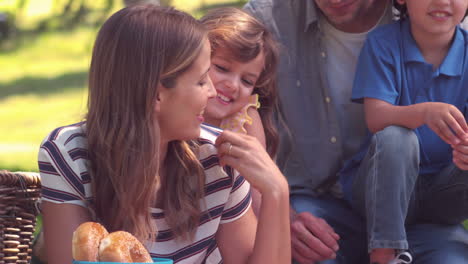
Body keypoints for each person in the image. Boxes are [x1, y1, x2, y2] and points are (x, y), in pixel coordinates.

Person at [38, 5, 290, 264]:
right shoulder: (70, 153)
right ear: (157, 94)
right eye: (202, 81)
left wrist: (276, 192)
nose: (213, 93)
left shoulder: (218, 158)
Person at [244, 0, 468, 263]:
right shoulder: (265, 21)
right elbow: (226, 108)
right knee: (396, 137)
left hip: (427, 213)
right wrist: (276, 215)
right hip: (316, 211)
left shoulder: (447, 22)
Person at [340, 0, 468, 263]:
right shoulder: (383, 43)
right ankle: (385, 253)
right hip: (381, 189)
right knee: (397, 137)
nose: (442, 1)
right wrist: (423, 113)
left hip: (444, 193)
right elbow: (376, 118)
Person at [200, 7, 280, 214]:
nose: (233, 85)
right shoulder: (177, 109)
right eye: (222, 68)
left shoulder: (243, 120)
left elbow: (259, 190)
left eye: (246, 80)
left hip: (235, 223)